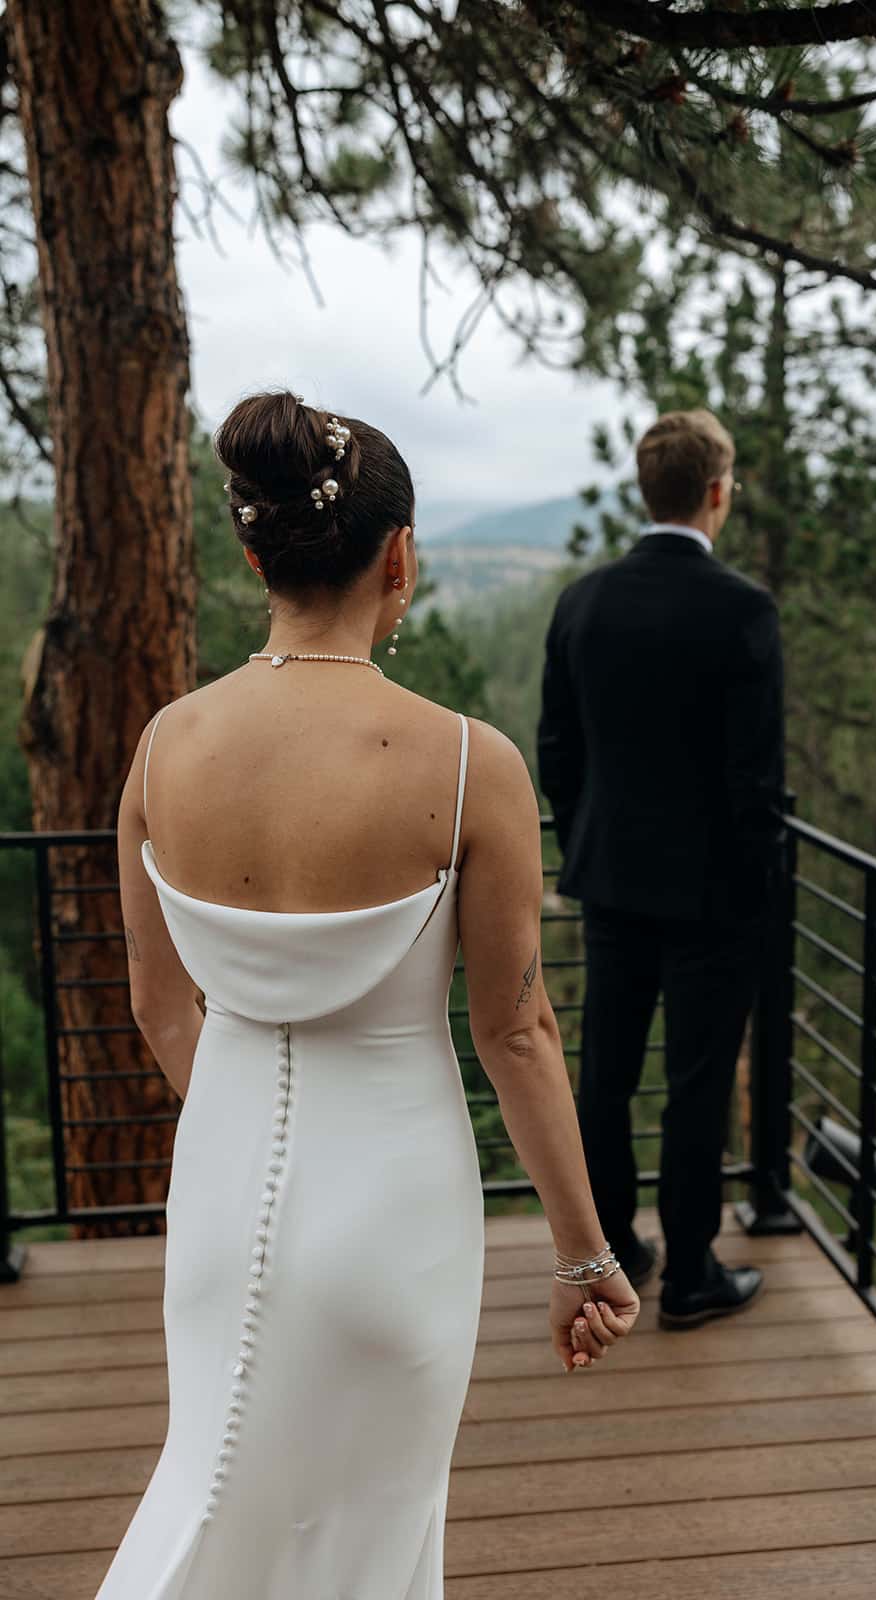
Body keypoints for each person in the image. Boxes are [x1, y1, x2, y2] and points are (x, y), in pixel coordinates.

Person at [101, 391, 639, 1600]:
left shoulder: (160, 747)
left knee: (214, 1488)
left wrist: (239, 1114)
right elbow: (514, 1029)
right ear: (399, 558)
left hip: (222, 1189)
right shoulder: (466, 764)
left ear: (254, 556)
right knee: (377, 1540)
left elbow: (156, 1008)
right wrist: (579, 1253)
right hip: (397, 1208)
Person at [537, 407, 785, 1330]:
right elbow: (756, 778)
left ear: (646, 491)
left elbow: (556, 749)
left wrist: (585, 843)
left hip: (609, 882)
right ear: (716, 493)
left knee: (604, 1073)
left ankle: (613, 1249)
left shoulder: (583, 602)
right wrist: (754, 891)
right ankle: (690, 1276)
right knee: (696, 1081)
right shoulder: (743, 610)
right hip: (715, 896)